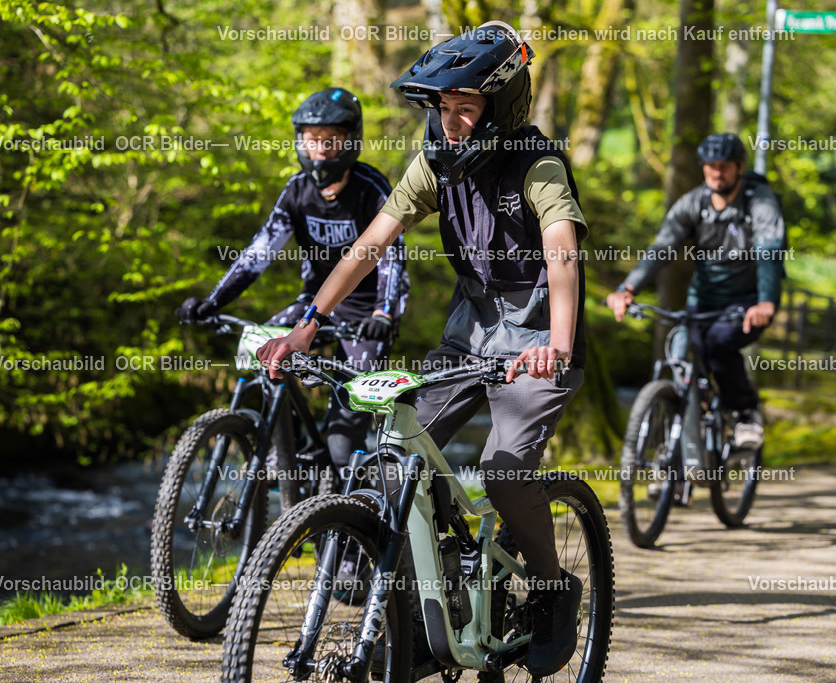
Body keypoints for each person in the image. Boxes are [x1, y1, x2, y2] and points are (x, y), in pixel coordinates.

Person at [257, 22, 586, 677]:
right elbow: (369, 244)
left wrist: (557, 344)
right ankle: (418, 607)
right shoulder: (436, 159)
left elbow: (563, 255)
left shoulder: (537, 161)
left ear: (502, 104)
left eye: (467, 106)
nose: (453, 120)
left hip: (539, 338)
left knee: (504, 467)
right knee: (391, 458)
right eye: (443, 105)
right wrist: (308, 322)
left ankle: (552, 592)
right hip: (470, 335)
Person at [177, 87, 409, 469]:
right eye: (311, 140)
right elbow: (259, 251)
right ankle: (289, 443)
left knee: (341, 441)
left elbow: (392, 259)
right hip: (314, 303)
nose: (319, 150)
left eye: (330, 142)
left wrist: (384, 314)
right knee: (261, 351)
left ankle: (348, 486)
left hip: (367, 314)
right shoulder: (296, 190)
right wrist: (214, 302)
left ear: (350, 142)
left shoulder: (372, 189)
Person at [606, 133, 786, 450]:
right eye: (710, 166)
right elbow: (661, 248)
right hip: (703, 300)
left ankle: (745, 412)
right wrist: (627, 287)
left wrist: (767, 302)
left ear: (740, 167)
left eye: (724, 166)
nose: (717, 173)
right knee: (680, 346)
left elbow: (769, 251)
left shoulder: (759, 201)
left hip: (749, 300)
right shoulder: (693, 203)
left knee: (719, 344)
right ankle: (681, 444)